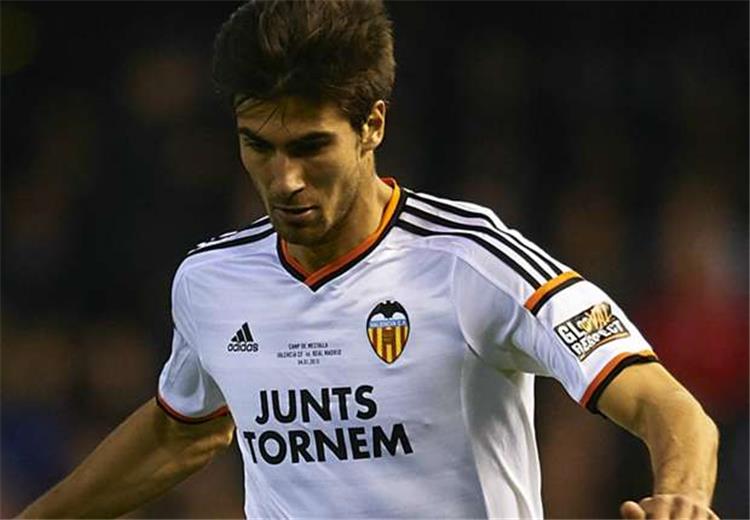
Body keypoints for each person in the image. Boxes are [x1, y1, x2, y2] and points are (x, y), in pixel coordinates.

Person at [20, 1, 719, 518]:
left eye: (310, 146)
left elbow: (665, 403)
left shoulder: (471, 262)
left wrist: (682, 497)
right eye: (258, 145)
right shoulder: (211, 283)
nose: (284, 179)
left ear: (371, 125)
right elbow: (181, 433)